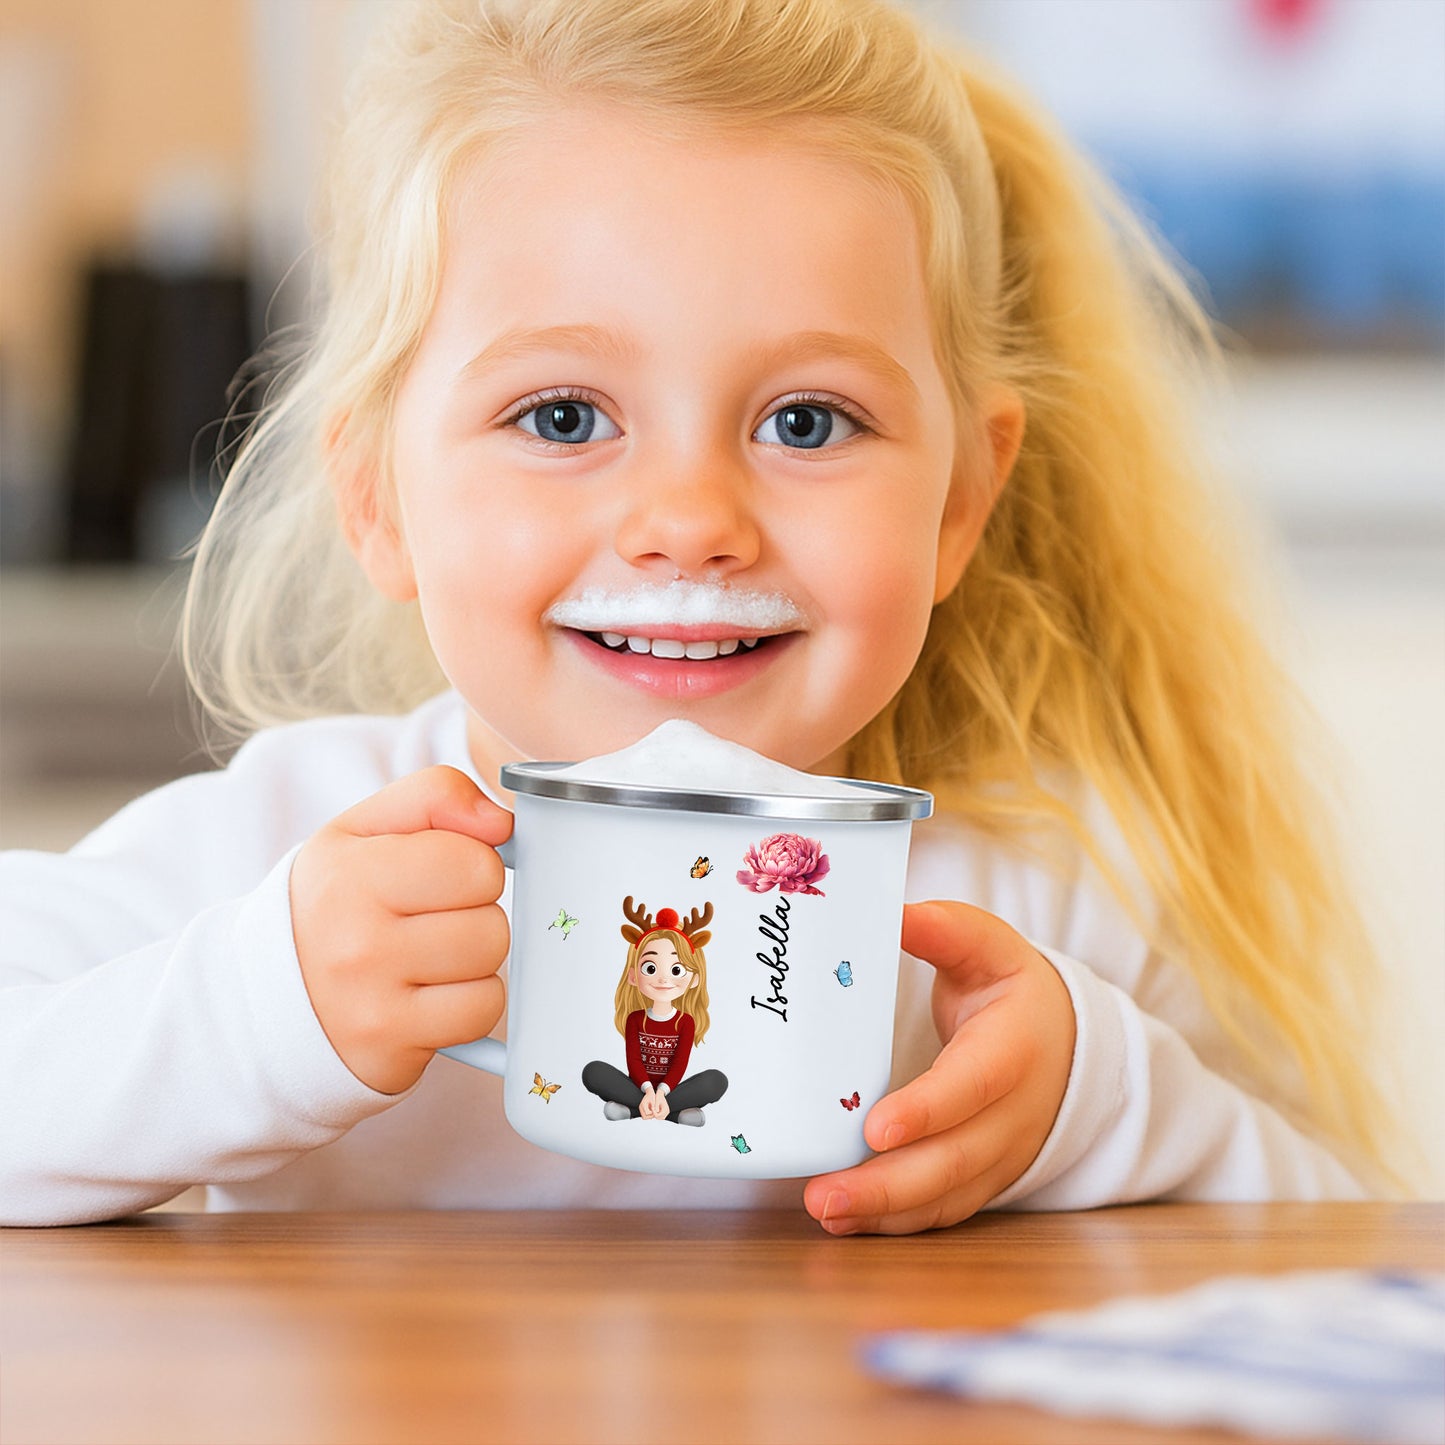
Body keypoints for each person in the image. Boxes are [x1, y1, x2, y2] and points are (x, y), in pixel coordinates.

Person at [0, 0, 1403, 1228]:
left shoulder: (1025, 926)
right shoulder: (285, 856)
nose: (690, 518)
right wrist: (257, 1008)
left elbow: (1352, 1275)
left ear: (960, 504)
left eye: (806, 419)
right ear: (378, 498)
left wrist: (1097, 1108)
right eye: (563, 415)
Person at [581, 900, 729, 1125]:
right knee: (593, 1072)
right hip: (638, 1087)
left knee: (717, 1080)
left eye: (676, 970)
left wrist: (661, 1094)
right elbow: (634, 1062)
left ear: (693, 980)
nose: (663, 979)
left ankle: (634, 1110)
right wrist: (648, 1092)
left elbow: (680, 1064)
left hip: (670, 1091)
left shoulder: (685, 1022)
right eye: (650, 968)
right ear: (633, 976)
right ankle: (673, 1114)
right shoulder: (636, 1019)